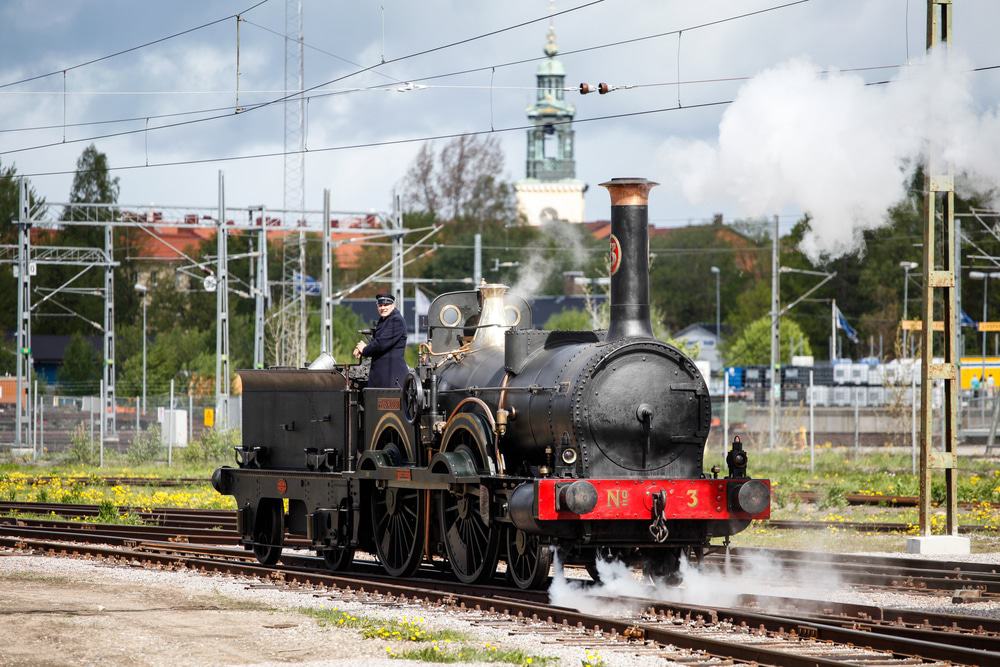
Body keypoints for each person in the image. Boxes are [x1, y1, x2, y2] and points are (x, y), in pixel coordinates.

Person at [353, 293, 408, 388]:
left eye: (386, 305)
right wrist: (362, 347)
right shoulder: (384, 320)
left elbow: (381, 344)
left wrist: (365, 349)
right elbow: (378, 341)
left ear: (393, 305)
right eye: (380, 305)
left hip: (392, 377)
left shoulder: (396, 321)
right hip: (382, 376)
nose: (383, 308)